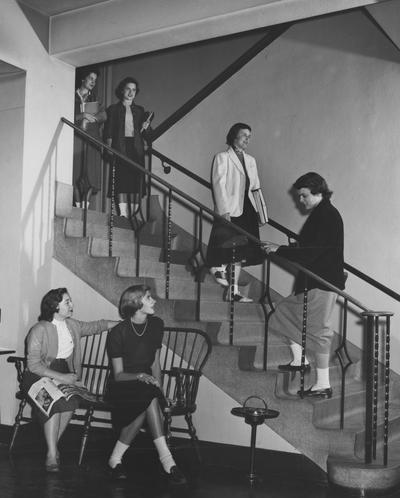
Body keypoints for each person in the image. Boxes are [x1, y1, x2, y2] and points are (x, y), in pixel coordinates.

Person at [264, 172, 345, 399]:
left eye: (304, 196)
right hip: (313, 281)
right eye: (300, 196)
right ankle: (300, 359)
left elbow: (313, 252)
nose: (301, 201)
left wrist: (280, 249)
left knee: (319, 333)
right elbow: (312, 248)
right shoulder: (321, 213)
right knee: (281, 313)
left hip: (321, 282)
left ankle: (323, 385)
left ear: (318, 192)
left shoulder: (327, 214)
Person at [23, 288, 118, 472]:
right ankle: (52, 454)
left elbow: (96, 326)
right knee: (55, 400)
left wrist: (122, 323)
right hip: (36, 377)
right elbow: (34, 365)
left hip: (62, 373)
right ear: (55, 306)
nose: (72, 305)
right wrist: (63, 377)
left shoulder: (72, 325)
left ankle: (52, 445)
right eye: (67, 302)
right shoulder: (39, 329)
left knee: (73, 400)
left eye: (70, 301)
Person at [105, 285, 186, 485]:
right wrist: (141, 376)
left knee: (148, 397)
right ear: (136, 304)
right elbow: (119, 374)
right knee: (146, 397)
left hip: (147, 385)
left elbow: (155, 362)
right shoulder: (118, 333)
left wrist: (161, 389)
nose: (154, 301)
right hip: (122, 384)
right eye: (149, 298)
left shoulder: (157, 325)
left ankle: (115, 460)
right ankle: (168, 461)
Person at [206, 123, 266, 302]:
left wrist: (262, 213)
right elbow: (218, 184)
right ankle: (217, 267)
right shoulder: (222, 157)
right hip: (230, 209)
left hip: (247, 208)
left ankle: (233, 291)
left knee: (241, 251)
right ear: (234, 137)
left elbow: (256, 187)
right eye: (244, 135)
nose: (247, 139)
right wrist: (224, 211)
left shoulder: (251, 160)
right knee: (227, 244)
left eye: (249, 136)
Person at [104, 77, 152, 218]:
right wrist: (108, 148)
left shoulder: (140, 110)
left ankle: (133, 214)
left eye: (134, 90)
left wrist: (146, 127)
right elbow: (109, 131)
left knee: (136, 183)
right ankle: (124, 215)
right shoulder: (113, 109)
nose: (131, 93)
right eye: (128, 89)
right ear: (122, 90)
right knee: (121, 181)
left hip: (136, 148)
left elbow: (148, 134)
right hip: (120, 147)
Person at [73, 67, 107, 208]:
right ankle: (77, 204)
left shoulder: (95, 99)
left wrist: (93, 118)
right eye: (90, 78)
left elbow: (104, 115)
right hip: (75, 140)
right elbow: (62, 112)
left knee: (90, 174)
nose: (93, 82)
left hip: (92, 139)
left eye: (95, 80)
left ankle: (85, 207)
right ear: (83, 79)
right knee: (74, 172)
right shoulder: (71, 96)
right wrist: (82, 116)